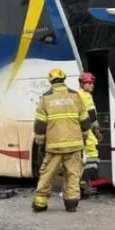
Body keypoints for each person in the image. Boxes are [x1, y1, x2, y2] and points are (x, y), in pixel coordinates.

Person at [32, 68, 91, 213]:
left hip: (54, 146)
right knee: (73, 174)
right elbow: (85, 121)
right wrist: (83, 138)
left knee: (47, 174)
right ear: (64, 79)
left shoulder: (46, 98)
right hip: (74, 144)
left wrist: (40, 142)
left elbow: (40, 124)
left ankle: (40, 204)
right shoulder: (75, 96)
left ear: (50, 81)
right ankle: (71, 204)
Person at [77, 72, 103, 197]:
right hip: (88, 132)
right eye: (89, 83)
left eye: (92, 83)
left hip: (81, 130)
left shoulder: (78, 94)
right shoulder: (85, 96)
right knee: (92, 156)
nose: (92, 85)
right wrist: (97, 132)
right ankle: (86, 184)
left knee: (84, 158)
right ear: (82, 84)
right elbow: (92, 116)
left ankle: (83, 184)